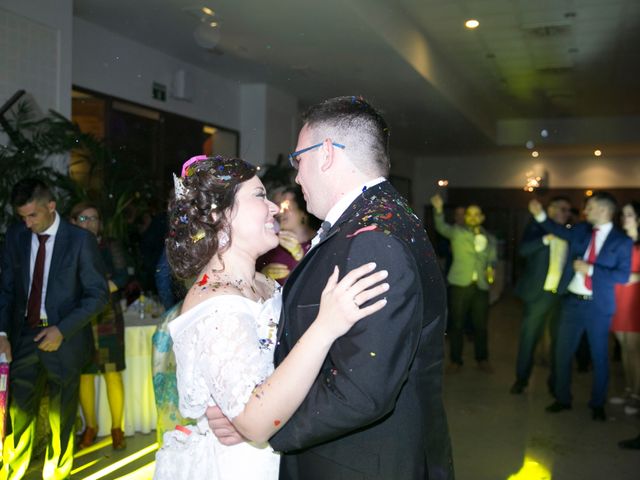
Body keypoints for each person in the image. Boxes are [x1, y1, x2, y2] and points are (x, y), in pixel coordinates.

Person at [208, 96, 454, 480]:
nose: (297, 177)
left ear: (325, 154)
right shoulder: (387, 217)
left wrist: (264, 426)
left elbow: (362, 391)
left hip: (358, 463)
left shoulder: (374, 239)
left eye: (298, 161)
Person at [153, 155, 388, 480]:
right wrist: (326, 326)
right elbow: (256, 421)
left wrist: (244, 415)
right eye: (260, 196)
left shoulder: (263, 283)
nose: (275, 208)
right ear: (219, 215)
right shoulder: (216, 305)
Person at [0, 178, 108, 480]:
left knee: (62, 414)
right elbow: (7, 288)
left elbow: (98, 295)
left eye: (32, 215)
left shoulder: (79, 240)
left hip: (66, 338)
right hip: (24, 337)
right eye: (22, 216)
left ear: (51, 206)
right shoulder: (17, 237)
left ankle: (56, 473)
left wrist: (62, 329)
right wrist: (2, 334)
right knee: (19, 412)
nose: (27, 223)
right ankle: (13, 472)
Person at [529, 192, 632, 421]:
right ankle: (562, 399)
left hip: (598, 307)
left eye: (592, 207)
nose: (587, 211)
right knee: (562, 353)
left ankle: (597, 404)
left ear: (605, 210)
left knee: (599, 357)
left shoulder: (621, 240)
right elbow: (557, 231)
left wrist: (591, 270)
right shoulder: (581, 230)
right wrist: (540, 216)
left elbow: (623, 275)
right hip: (572, 303)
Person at [69, 202, 129, 450]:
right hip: (79, 317)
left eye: (94, 218)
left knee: (112, 371)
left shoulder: (110, 245)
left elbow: (123, 277)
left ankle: (117, 429)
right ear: (73, 222)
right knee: (85, 373)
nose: (90, 223)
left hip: (106, 315)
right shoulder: (68, 248)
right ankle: (90, 427)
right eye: (84, 219)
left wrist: (97, 292)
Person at [511, 196, 572, 394]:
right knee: (529, 338)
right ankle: (521, 380)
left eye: (568, 210)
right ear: (551, 210)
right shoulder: (537, 227)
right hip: (538, 294)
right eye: (561, 208)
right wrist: (546, 239)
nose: (565, 213)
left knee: (559, 342)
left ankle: (556, 383)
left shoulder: (570, 233)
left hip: (560, 296)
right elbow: (523, 250)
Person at [431, 193, 497, 373]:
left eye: (477, 214)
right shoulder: (457, 232)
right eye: (470, 214)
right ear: (466, 217)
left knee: (481, 326)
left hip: (481, 286)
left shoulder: (490, 239)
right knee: (457, 325)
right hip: (460, 284)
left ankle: (482, 359)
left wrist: (491, 272)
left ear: (482, 217)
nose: (473, 217)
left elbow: (492, 261)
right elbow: (441, 227)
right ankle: (455, 360)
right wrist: (438, 210)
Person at [609, 201, 640, 414]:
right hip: (618, 296)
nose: (623, 218)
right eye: (623, 214)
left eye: (628, 214)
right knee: (623, 346)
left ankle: (637, 396)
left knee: (633, 349)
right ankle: (629, 389)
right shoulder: (621, 242)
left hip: (635, 299)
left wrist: (632, 276)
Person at [257, 186, 319, 285]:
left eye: (286, 205)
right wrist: (262, 276)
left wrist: (301, 259)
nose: (280, 211)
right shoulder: (269, 244)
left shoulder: (321, 242)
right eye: (278, 205)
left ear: (303, 210)